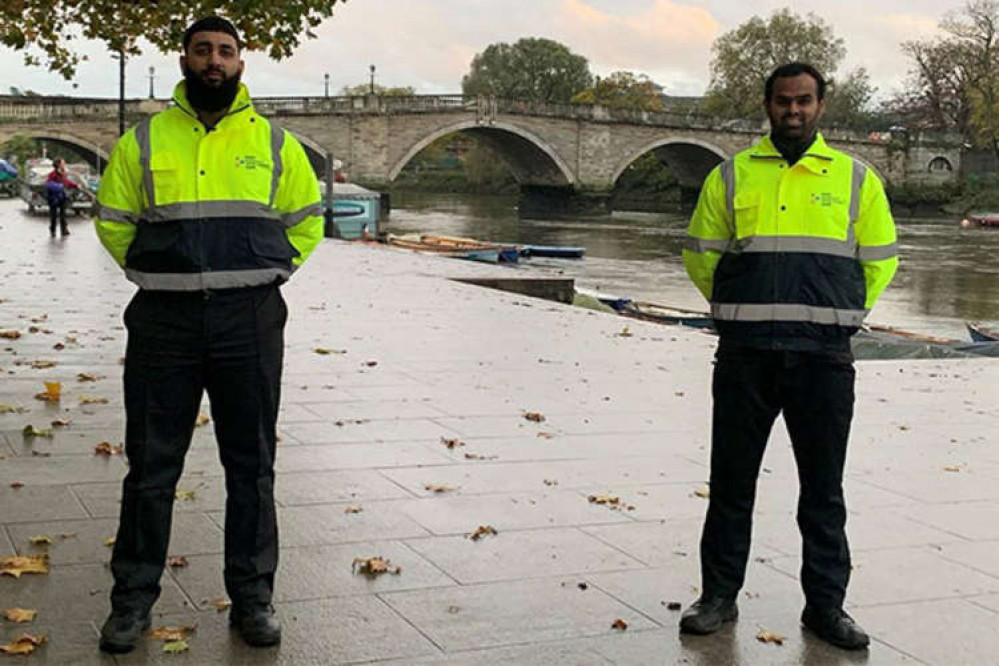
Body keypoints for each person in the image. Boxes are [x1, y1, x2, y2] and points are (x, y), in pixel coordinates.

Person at [93, 16, 323, 654]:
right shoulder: (144, 141)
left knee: (251, 467)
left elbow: (306, 222)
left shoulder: (275, 144)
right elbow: (112, 220)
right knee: (150, 468)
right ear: (185, 60)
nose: (214, 62)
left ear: (241, 64)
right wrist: (157, 271)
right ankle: (132, 603)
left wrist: (266, 273)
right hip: (164, 321)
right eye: (203, 51)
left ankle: (253, 598)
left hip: (248, 320)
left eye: (226, 52)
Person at [679, 62, 898, 651]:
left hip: (824, 359)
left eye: (804, 101)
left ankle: (826, 607)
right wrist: (739, 306)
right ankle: (718, 598)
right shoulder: (730, 177)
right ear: (768, 105)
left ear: (821, 105)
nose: (793, 111)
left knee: (823, 490)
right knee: (730, 484)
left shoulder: (856, 179)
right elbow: (701, 256)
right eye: (783, 102)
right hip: (746, 355)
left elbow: (880, 261)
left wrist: (842, 312)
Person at [45, 158, 78, 236]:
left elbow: (66, 182)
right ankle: (53, 230)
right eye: (63, 163)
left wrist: (75, 185)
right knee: (53, 215)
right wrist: (58, 187)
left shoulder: (63, 173)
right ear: (59, 164)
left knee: (63, 214)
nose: (65, 164)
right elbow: (48, 184)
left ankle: (64, 230)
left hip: (62, 197)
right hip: (53, 198)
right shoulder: (52, 174)